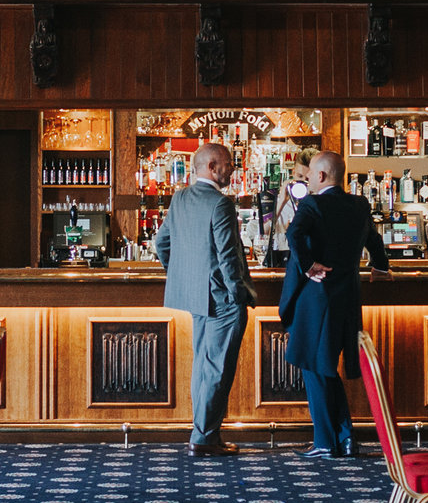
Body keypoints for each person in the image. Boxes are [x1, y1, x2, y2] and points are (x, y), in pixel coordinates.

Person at [279, 151, 390, 458]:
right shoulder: (358, 204)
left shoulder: (312, 204)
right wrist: (380, 266)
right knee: (325, 365)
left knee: (314, 366)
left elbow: (292, 233)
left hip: (318, 297)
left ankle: (326, 442)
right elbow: (374, 239)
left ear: (322, 176)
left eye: (310, 174)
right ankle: (345, 435)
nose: (306, 179)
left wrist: (309, 265)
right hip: (349, 297)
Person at [156, 141, 258, 457]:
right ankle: (204, 437)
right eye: (228, 163)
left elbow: (162, 244)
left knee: (204, 365)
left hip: (197, 296)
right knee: (217, 369)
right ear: (212, 167)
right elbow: (228, 257)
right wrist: (239, 294)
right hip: (223, 298)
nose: (233, 168)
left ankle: (204, 432)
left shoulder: (181, 198)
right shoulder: (220, 204)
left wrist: (185, 274)